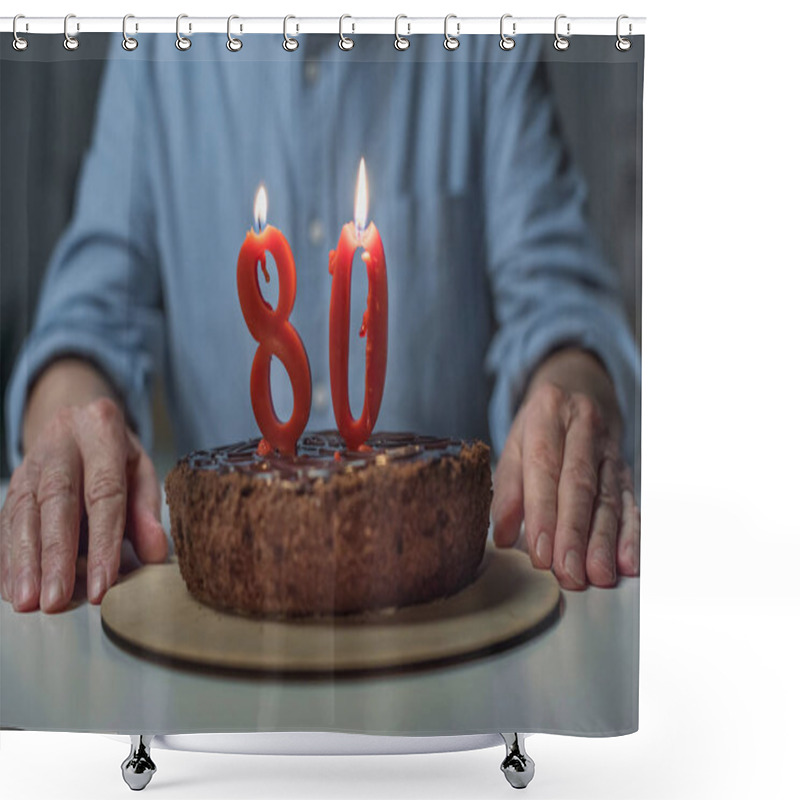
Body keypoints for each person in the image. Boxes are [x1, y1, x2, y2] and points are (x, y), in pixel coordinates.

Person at [1, 34, 640, 614]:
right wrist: (72, 416)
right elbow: (90, 314)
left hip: (454, 630)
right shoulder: (158, 48)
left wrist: (574, 396)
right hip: (221, 656)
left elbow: (560, 300)